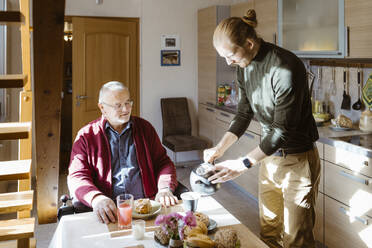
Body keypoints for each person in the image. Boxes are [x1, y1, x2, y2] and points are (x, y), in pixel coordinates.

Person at [204, 9, 320, 248]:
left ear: (249, 43)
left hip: (297, 161)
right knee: (268, 234)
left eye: (231, 55)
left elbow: (281, 131)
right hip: (268, 160)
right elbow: (244, 113)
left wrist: (242, 164)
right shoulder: (243, 68)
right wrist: (220, 147)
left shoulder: (285, 67)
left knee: (296, 240)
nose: (229, 62)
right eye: (223, 57)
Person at [68, 81, 179, 224]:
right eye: (118, 105)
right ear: (102, 108)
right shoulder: (86, 136)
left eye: (128, 102)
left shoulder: (145, 128)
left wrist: (164, 188)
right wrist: (96, 198)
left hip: (147, 207)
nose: (126, 109)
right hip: (109, 212)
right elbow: (77, 176)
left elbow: (163, 162)